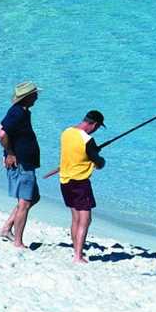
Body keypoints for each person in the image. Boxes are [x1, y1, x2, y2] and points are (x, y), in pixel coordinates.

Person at [0, 81, 41, 248]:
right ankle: (18, 242)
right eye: (35, 94)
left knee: (33, 198)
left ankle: (7, 228)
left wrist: (8, 152)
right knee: (25, 202)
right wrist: (10, 153)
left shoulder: (22, 111)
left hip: (26, 162)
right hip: (22, 163)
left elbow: (0, 126)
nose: (37, 96)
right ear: (28, 97)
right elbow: (1, 134)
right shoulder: (18, 113)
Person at [59, 110, 106, 264]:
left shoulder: (67, 132)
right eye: (98, 127)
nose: (96, 130)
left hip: (65, 181)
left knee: (75, 218)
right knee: (85, 219)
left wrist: (92, 152)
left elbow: (78, 152)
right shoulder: (88, 141)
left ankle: (76, 250)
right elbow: (99, 164)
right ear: (94, 124)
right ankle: (78, 256)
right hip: (80, 183)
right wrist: (99, 157)